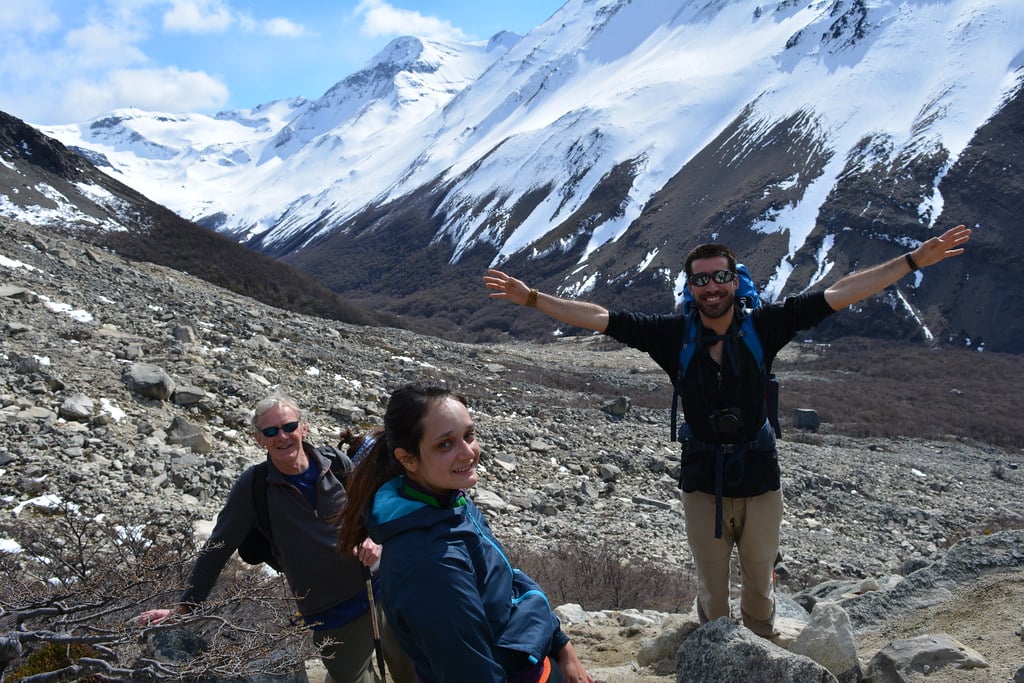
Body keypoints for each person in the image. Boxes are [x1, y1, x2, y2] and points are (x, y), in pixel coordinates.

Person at [482, 225, 971, 638]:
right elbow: (600, 318)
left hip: (759, 474)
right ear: (690, 288)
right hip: (702, 480)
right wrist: (531, 299)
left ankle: (760, 648)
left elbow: (840, 293)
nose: (711, 287)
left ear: (735, 282)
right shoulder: (671, 336)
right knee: (712, 587)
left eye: (720, 277)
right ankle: (717, 653)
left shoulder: (766, 326)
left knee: (760, 584)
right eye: (701, 280)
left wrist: (911, 261)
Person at [138, 391, 415, 683]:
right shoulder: (254, 486)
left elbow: (374, 509)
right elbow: (218, 547)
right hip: (332, 612)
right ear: (259, 439)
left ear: (303, 427)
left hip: (381, 589)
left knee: (411, 669)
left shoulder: (336, 464)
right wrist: (186, 605)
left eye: (289, 427)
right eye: (271, 431)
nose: (282, 436)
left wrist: (377, 541)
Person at [337, 382, 595, 683]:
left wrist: (562, 647)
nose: (468, 452)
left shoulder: (445, 503)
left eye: (469, 435)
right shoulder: (430, 563)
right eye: (445, 444)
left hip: (534, 661)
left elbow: (505, 578)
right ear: (408, 459)